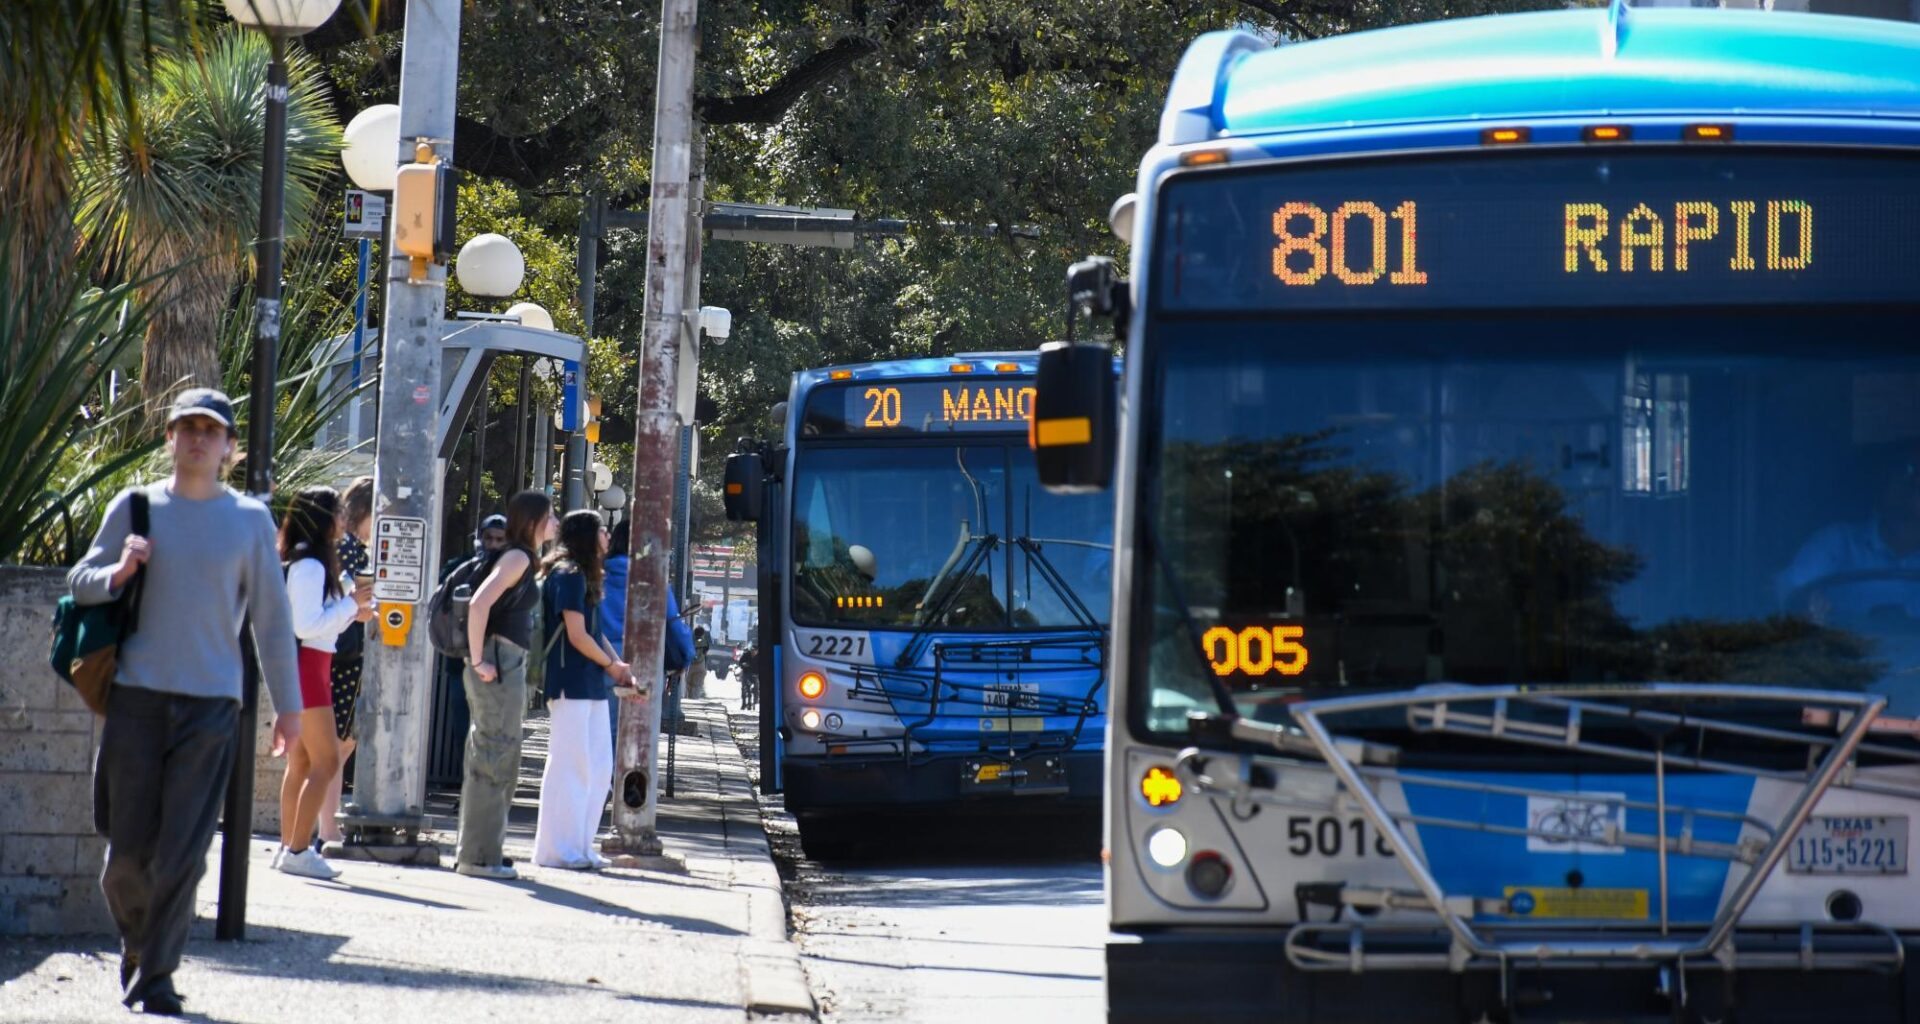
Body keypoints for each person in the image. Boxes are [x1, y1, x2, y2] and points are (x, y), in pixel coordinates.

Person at [68, 388, 304, 1015]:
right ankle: (138, 944)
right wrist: (118, 572)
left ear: (229, 447)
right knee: (124, 859)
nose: (198, 438)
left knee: (184, 853)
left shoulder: (249, 520)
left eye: (210, 430)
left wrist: (289, 708)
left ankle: (157, 976)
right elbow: (80, 582)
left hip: (212, 708)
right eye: (187, 427)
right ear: (170, 437)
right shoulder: (136, 506)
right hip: (136, 701)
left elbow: (272, 620)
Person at [275, 486, 374, 879]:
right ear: (323, 519)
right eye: (338, 513)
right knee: (327, 760)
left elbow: (317, 623)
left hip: (309, 664)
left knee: (301, 762)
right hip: (308, 667)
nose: (343, 520)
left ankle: (289, 847)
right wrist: (351, 605)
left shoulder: (309, 561)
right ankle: (299, 849)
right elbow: (307, 625)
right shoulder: (311, 565)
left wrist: (351, 611)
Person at [457, 490, 556, 879]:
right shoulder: (517, 558)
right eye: (550, 516)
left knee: (497, 753)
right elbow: (479, 604)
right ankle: (480, 857)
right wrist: (478, 659)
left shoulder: (522, 557)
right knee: (494, 754)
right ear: (533, 522)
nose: (556, 523)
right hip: (498, 660)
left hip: (503, 660)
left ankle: (483, 849)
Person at [533, 511, 633, 869]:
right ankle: (559, 850)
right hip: (569, 681)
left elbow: (594, 633)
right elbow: (577, 636)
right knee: (571, 765)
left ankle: (579, 845)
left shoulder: (585, 576)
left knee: (598, 766)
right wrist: (612, 666)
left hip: (590, 684)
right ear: (587, 536)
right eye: (602, 530)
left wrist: (617, 666)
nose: (607, 536)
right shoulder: (568, 575)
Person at [318, 476, 374, 848]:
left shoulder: (343, 548)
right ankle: (327, 827)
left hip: (338, 651)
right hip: (346, 656)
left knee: (340, 744)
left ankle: (325, 825)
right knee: (337, 745)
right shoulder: (352, 550)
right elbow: (354, 598)